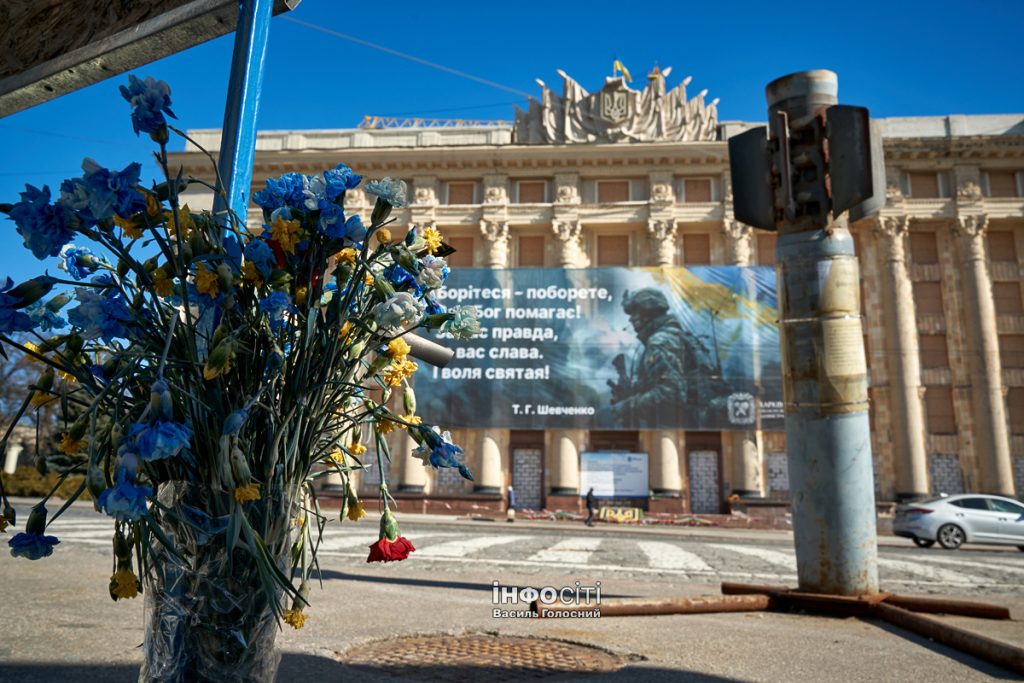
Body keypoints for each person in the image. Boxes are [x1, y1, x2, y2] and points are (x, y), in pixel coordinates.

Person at [607, 287, 700, 426]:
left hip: (677, 425)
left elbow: (670, 394)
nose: (631, 319)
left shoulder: (660, 341)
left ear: (648, 313)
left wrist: (626, 407)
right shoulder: (675, 336)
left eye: (635, 312)